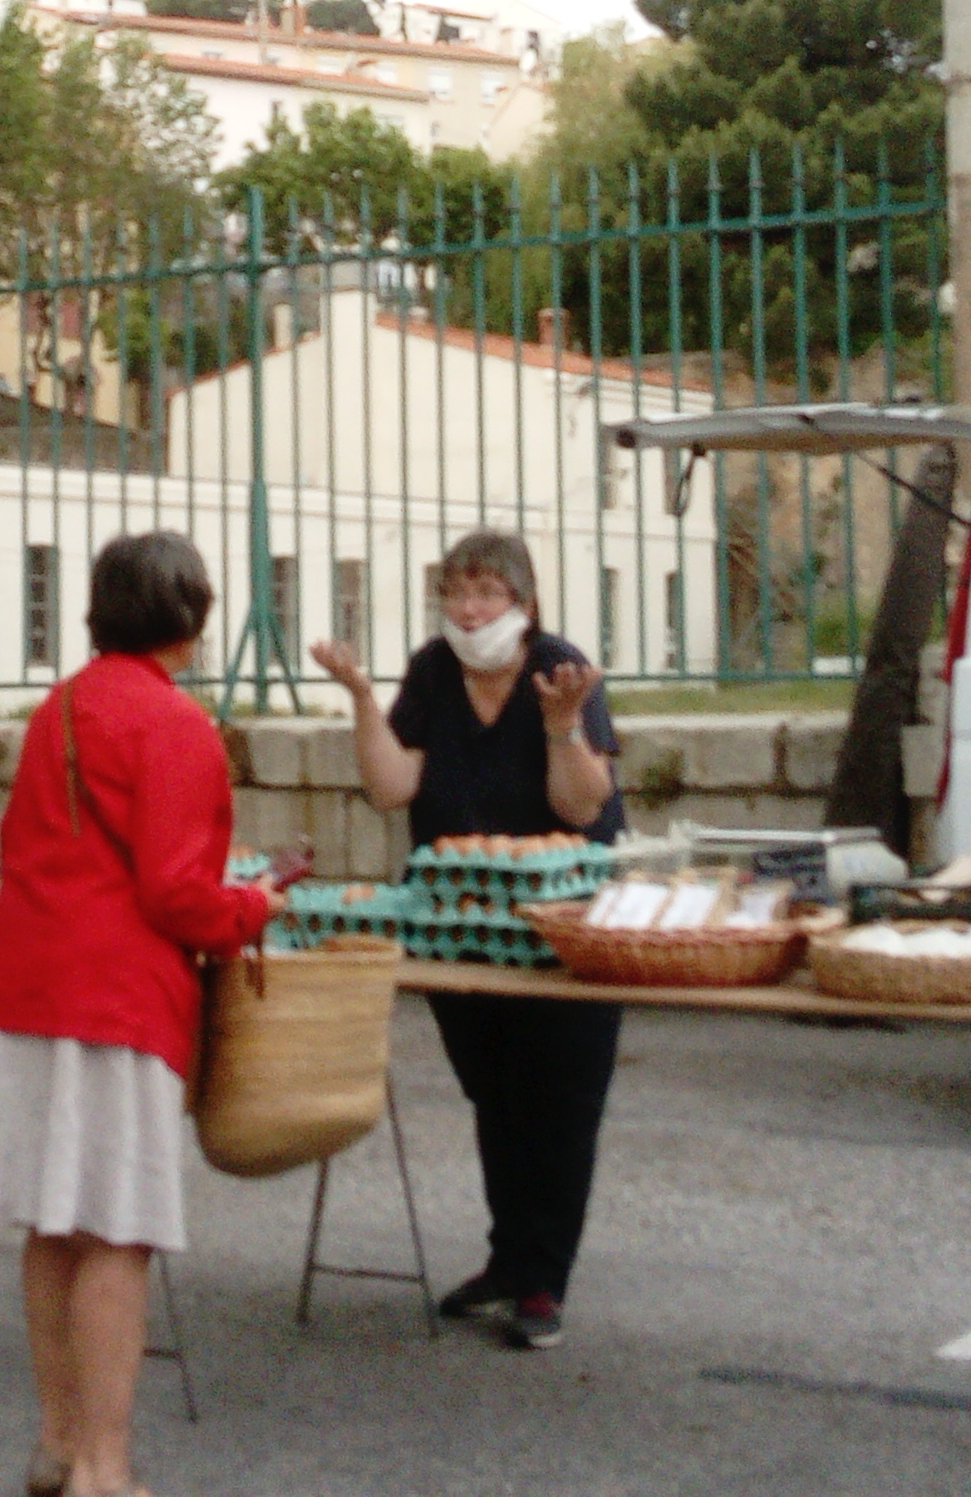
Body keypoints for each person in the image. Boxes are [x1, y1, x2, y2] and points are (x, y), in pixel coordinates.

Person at [0, 532, 287, 1497]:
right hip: (118, 999)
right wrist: (254, 907)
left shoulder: (56, 709)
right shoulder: (177, 725)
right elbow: (178, 894)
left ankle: (60, 1439)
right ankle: (105, 1474)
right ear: (190, 620)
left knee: (51, 1223)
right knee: (116, 1229)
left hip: (28, 983)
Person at [310, 528, 621, 1353]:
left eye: (487, 593)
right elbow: (391, 786)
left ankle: (543, 1280)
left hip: (563, 927)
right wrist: (362, 700)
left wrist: (562, 727)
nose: (469, 608)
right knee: (494, 1092)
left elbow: (585, 809)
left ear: (524, 604)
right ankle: (508, 1258)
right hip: (460, 923)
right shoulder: (432, 670)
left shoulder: (562, 667)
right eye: (457, 591)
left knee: (559, 1102)